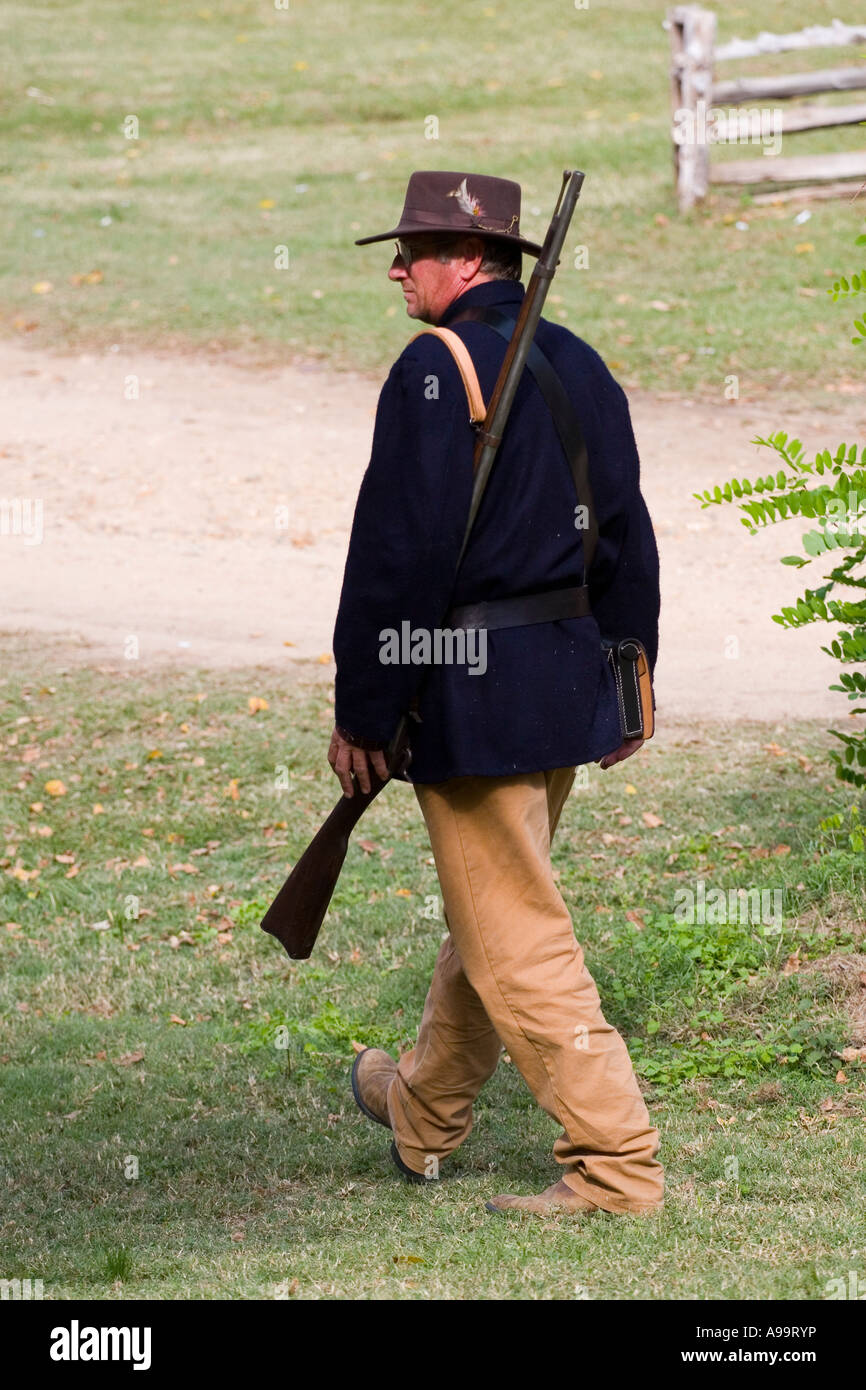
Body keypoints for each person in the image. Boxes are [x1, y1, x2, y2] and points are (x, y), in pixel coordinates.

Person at [329, 170, 663, 1217]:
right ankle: (422, 1107)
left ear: (468, 261)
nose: (396, 267)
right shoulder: (575, 359)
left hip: (477, 699)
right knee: (493, 913)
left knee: (515, 938)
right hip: (558, 682)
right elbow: (625, 535)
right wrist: (626, 678)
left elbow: (397, 555)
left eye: (414, 249)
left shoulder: (433, 367)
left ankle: (613, 1169)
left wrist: (364, 713)